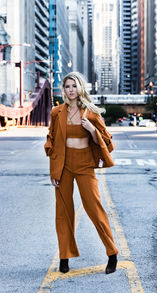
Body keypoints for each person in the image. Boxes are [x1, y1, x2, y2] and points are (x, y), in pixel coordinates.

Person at [44, 72, 118, 274]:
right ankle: (64, 257)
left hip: (85, 165)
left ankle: (112, 253)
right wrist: (54, 172)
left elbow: (108, 143)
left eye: (74, 86)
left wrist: (92, 131)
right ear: (64, 89)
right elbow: (51, 143)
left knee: (95, 209)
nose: (71, 90)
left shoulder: (91, 113)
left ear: (80, 88)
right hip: (64, 166)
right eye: (67, 86)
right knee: (63, 212)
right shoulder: (57, 112)